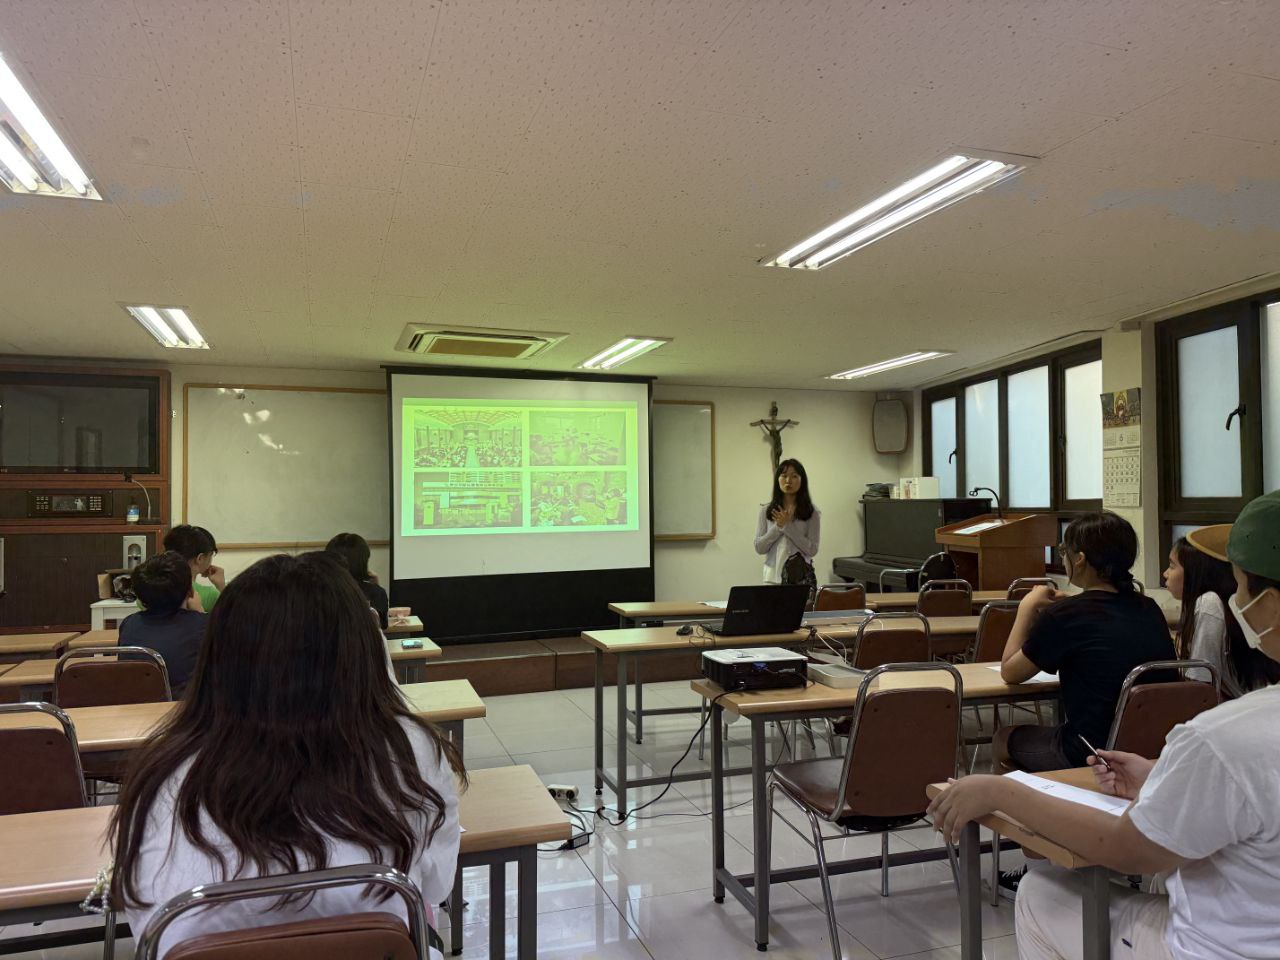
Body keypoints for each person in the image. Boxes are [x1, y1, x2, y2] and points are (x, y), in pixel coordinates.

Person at [929, 489, 1280, 960]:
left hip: (1218, 948)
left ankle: (1040, 857)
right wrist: (1159, 771)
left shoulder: (1223, 736)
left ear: (1271, 607)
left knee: (1040, 893)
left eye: (1237, 586)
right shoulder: (1148, 610)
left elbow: (1128, 848)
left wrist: (1000, 791)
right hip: (1137, 752)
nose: (1232, 600)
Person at [110, 551, 464, 958]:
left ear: (219, 655)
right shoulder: (410, 747)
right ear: (358, 652)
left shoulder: (163, 769)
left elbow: (145, 920)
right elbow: (437, 886)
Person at [996, 512, 1176, 778]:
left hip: (1089, 750)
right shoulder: (1148, 607)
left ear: (1079, 559)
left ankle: (1026, 813)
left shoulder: (1064, 616)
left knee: (1002, 738)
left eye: (1062, 551)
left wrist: (1026, 607)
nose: (1062, 557)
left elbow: (1010, 672)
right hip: (1152, 748)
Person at [1164, 533, 1280, 698]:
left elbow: (1200, 683)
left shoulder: (1209, 603)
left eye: (1172, 565)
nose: (1165, 573)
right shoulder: (1220, 602)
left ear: (1194, 571)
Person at [119, 552, 206, 699]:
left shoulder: (129, 624)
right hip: (187, 711)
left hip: (136, 710)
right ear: (190, 591)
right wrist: (200, 612)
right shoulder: (203, 625)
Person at [753, 458, 820, 594]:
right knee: (773, 615)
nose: (788, 480)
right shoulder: (766, 510)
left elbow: (812, 549)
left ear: (802, 480)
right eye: (784, 476)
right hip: (772, 578)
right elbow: (759, 547)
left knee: (798, 615)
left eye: (794, 476)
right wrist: (778, 527)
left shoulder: (812, 512)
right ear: (778, 479)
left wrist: (788, 527)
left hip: (800, 579)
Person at [327, 532, 389, 630]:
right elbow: (382, 626)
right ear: (364, 561)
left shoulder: (319, 593)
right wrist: (376, 588)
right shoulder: (376, 594)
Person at [163, 524, 224, 610]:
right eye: (211, 554)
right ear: (200, 558)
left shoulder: (149, 590)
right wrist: (222, 587)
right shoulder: (210, 595)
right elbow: (230, 618)